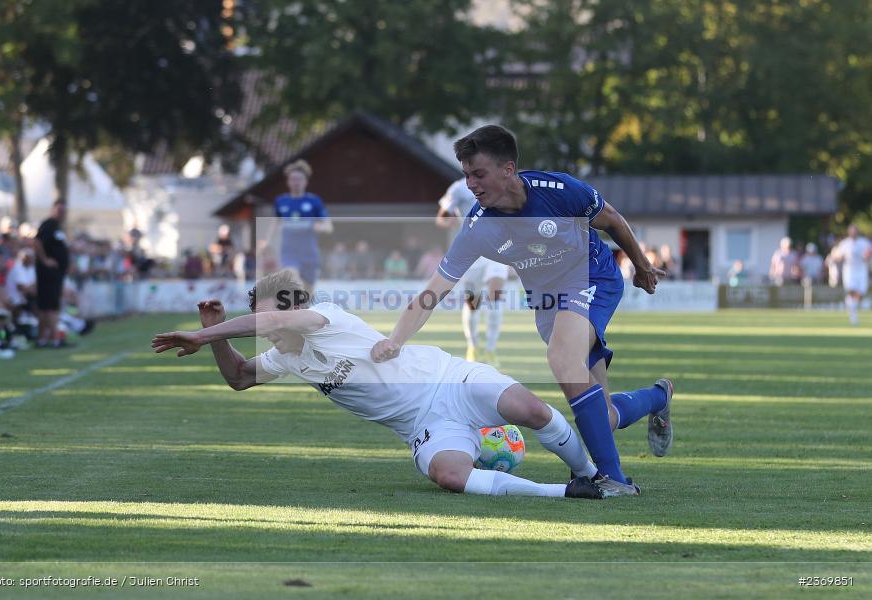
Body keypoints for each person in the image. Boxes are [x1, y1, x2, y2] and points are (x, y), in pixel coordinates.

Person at [372, 125, 673, 495]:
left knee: (563, 359)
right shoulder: (478, 227)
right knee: (603, 418)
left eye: (478, 174)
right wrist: (394, 341)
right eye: (466, 175)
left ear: (508, 169)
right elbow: (434, 290)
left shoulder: (559, 191)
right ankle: (660, 396)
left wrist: (641, 266)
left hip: (593, 276)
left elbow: (612, 220)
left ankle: (613, 482)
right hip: (549, 302)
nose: (471, 184)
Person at [152, 270, 612, 499]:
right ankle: (566, 493)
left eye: (270, 314)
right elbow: (237, 378)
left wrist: (201, 334)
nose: (266, 325)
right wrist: (210, 333)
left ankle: (591, 473)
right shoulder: (284, 357)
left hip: (447, 379)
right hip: (421, 425)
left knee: (529, 410)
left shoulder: (326, 316)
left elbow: (271, 318)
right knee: (450, 476)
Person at [436, 178, 510, 365]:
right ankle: (473, 346)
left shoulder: (502, 181)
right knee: (472, 303)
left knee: (496, 294)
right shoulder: (459, 188)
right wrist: (449, 222)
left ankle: (491, 349)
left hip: (497, 249)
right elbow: (442, 217)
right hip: (472, 253)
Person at [273, 160, 332, 295]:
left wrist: (315, 226)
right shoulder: (281, 201)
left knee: (307, 294)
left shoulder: (314, 201)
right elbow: (276, 223)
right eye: (293, 179)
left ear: (306, 182)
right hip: (289, 252)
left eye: (299, 179)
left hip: (309, 253)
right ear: (288, 181)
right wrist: (266, 242)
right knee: (292, 279)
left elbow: (328, 226)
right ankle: (292, 311)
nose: (296, 182)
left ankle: (302, 312)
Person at [33, 200, 70, 348]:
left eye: (63, 211)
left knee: (45, 306)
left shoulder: (57, 227)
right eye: (59, 210)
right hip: (48, 273)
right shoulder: (48, 224)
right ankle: (55, 338)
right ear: (53, 209)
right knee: (52, 306)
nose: (61, 213)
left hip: (55, 273)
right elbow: (37, 242)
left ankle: (42, 339)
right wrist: (45, 260)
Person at [831, 224, 871, 325]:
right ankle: (853, 316)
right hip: (849, 270)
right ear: (849, 232)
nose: (853, 233)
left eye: (855, 231)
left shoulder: (864, 242)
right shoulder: (845, 243)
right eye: (851, 231)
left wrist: (867, 256)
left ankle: (851, 304)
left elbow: (869, 253)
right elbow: (837, 256)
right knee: (851, 290)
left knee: (861, 292)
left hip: (862, 270)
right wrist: (837, 257)